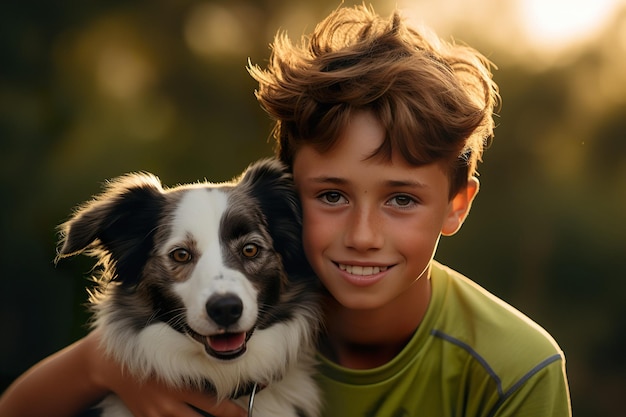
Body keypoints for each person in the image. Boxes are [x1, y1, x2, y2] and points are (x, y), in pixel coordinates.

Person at [0, 4, 571, 417]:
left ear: (456, 204)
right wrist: (105, 367)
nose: (364, 236)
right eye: (331, 196)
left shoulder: (516, 368)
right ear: (293, 199)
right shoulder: (212, 322)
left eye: (401, 198)